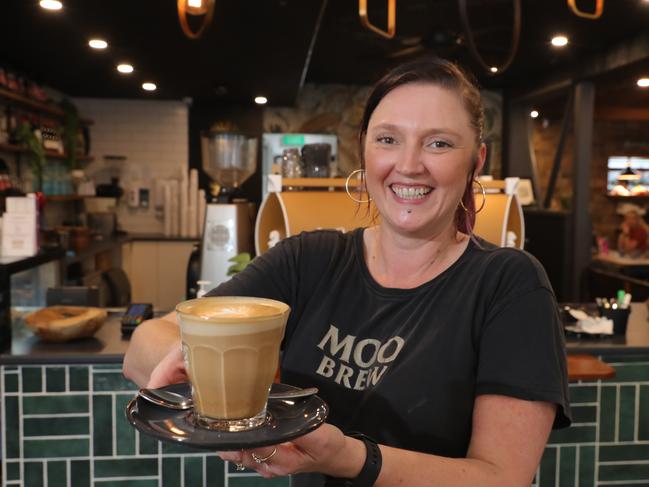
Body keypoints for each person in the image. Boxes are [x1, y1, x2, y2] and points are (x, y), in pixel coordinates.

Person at [123, 57, 571, 486]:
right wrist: (189, 367)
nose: (409, 164)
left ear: (476, 162)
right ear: (364, 151)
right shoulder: (310, 260)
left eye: (439, 142)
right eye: (388, 139)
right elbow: (144, 343)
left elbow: (503, 477)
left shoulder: (509, 284)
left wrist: (349, 457)